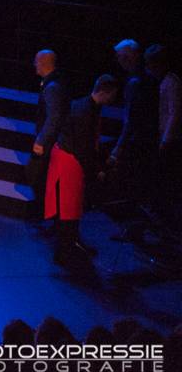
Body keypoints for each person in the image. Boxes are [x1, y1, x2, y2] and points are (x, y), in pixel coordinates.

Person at [45, 74, 119, 266]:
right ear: (105, 92)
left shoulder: (88, 106)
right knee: (67, 209)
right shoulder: (84, 111)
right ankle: (64, 252)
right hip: (69, 161)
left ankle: (72, 244)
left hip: (72, 159)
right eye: (113, 95)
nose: (114, 99)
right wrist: (96, 170)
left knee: (72, 208)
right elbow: (83, 147)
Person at [109, 39, 160, 198]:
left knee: (135, 180)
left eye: (120, 57)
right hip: (148, 135)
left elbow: (131, 118)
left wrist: (120, 145)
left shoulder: (135, 81)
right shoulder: (147, 76)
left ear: (128, 57)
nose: (119, 61)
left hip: (138, 139)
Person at [28, 49, 69, 222]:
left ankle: (47, 215)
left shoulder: (52, 87)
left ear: (43, 63)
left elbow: (54, 117)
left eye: (36, 61)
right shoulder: (52, 82)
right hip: (51, 138)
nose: (34, 64)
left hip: (49, 141)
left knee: (37, 176)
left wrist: (41, 140)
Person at [144, 44, 180, 225]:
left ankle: (166, 217)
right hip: (165, 136)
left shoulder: (171, 82)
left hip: (171, 139)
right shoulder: (165, 81)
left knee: (166, 176)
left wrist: (166, 139)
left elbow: (174, 113)